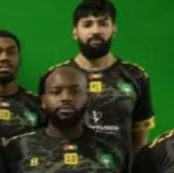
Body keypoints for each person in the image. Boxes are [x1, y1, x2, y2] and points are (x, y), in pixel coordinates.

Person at [44, 0, 154, 156]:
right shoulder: (54, 77)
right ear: (75, 32)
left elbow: (140, 136)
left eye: (103, 24)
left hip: (120, 170)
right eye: (87, 24)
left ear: (114, 29)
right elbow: (45, 132)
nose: (96, 31)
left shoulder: (136, 76)